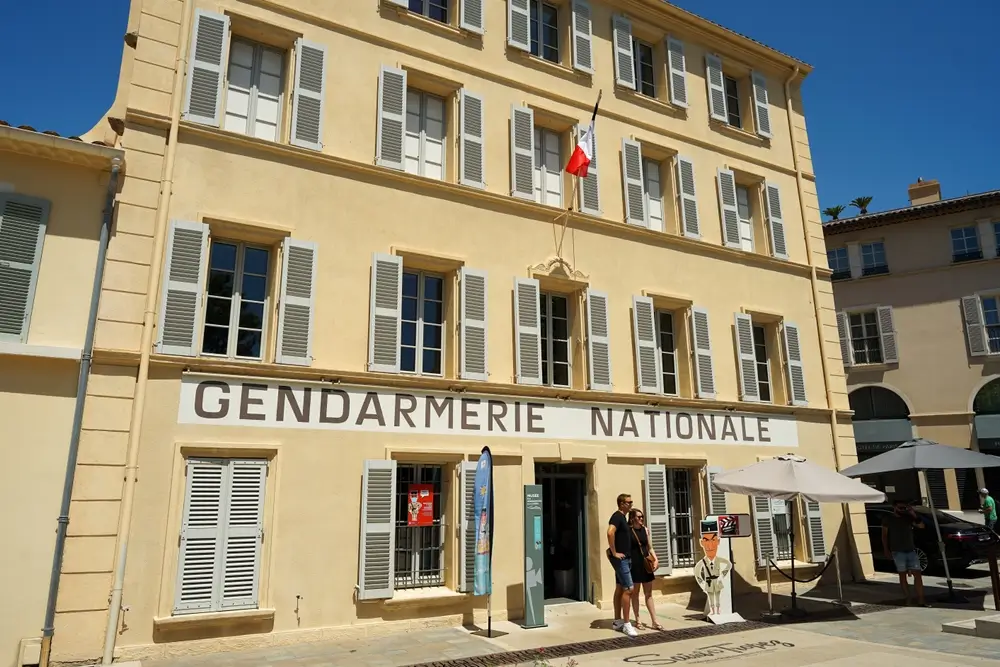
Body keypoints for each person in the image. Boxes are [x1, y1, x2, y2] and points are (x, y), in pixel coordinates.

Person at [881, 499, 929, 607]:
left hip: (910, 550)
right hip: (897, 551)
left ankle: (921, 599)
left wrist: (913, 513)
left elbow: (921, 526)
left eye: (904, 508)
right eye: (900, 508)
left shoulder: (908, 518)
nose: (902, 510)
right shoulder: (888, 519)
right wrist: (886, 549)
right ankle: (908, 598)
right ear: (894, 507)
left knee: (918, 575)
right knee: (902, 576)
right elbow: (884, 535)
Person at [628, 508, 664, 631]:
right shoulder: (629, 531)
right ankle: (638, 620)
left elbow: (650, 547)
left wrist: (656, 559)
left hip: (645, 564)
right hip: (634, 564)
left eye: (642, 516)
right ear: (632, 518)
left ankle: (655, 621)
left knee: (649, 594)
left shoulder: (645, 530)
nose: (641, 519)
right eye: (639, 517)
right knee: (635, 594)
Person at [607, 493, 638, 637]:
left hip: (626, 558)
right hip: (622, 560)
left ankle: (617, 621)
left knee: (620, 588)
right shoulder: (617, 517)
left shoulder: (623, 518)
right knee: (629, 589)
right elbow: (610, 533)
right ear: (621, 504)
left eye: (631, 502)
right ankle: (626, 624)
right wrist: (614, 552)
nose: (631, 504)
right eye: (629, 502)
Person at [694, 529, 731, 616]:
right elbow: (697, 573)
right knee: (711, 597)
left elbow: (729, 564)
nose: (710, 546)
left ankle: (718, 610)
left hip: (717, 581)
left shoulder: (719, 559)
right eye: (706, 541)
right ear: (701, 543)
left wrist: (722, 575)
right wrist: (702, 584)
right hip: (709, 582)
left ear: (718, 541)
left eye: (713, 540)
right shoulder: (702, 562)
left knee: (718, 596)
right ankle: (713, 611)